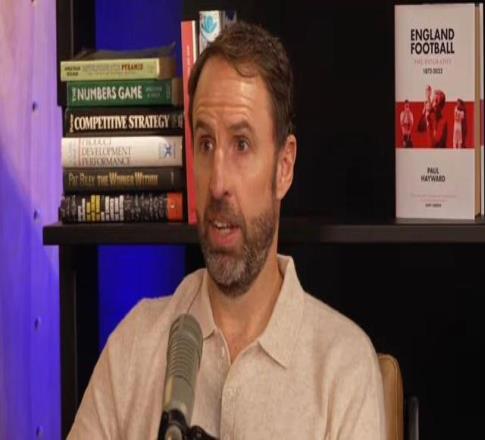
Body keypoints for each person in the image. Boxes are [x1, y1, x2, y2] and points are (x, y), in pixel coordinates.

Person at [68, 21, 386, 439]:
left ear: (284, 166)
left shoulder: (343, 369)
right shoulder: (135, 344)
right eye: (206, 144)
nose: (217, 183)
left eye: (241, 145)